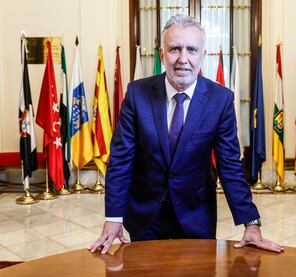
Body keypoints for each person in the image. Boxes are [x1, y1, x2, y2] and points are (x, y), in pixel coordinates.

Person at [90, 14, 283, 254]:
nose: (183, 59)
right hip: (145, 215)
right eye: (174, 49)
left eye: (191, 50)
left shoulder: (220, 100)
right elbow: (121, 160)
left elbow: (230, 166)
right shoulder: (137, 94)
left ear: (203, 55)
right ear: (162, 55)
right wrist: (113, 217)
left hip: (196, 215)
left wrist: (251, 222)